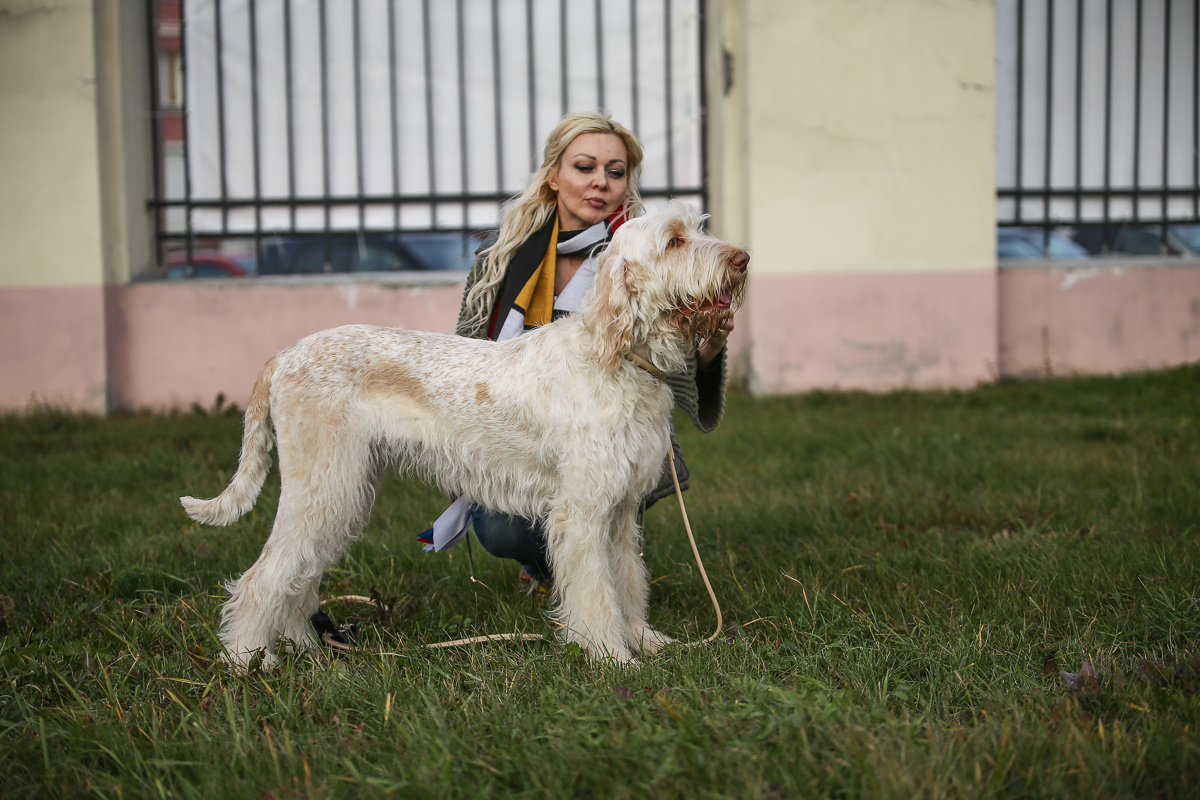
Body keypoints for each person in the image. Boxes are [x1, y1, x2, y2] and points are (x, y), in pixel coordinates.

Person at [426, 111, 734, 592]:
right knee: (502, 526)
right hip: (517, 432)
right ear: (553, 175)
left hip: (617, 436)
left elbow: (674, 374)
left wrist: (709, 345)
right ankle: (557, 571)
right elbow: (471, 353)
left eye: (616, 172)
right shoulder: (500, 259)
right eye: (584, 167)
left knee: (600, 498)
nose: (601, 183)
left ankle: (591, 584)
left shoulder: (645, 251)